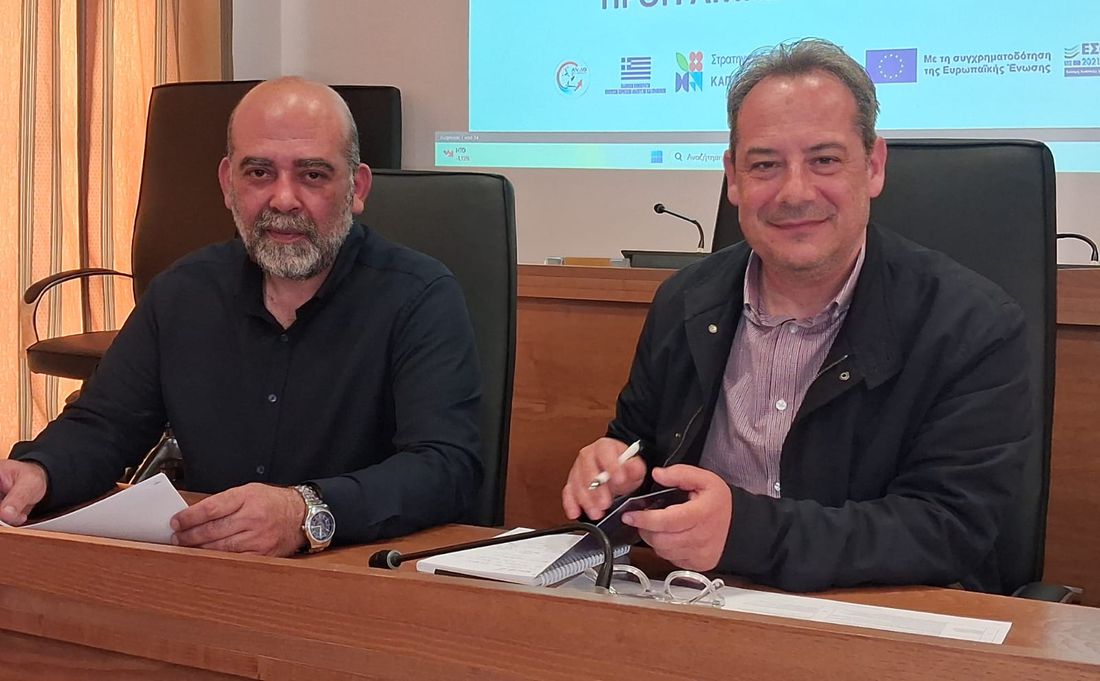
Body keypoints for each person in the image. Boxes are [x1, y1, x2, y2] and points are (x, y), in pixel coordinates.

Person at [562, 39, 1031, 593]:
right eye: (765, 165)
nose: (795, 192)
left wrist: (746, 534)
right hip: (692, 604)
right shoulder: (683, 302)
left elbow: (948, 528)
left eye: (824, 160)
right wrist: (615, 476)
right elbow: (637, 447)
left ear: (873, 166)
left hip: (877, 622)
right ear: (734, 177)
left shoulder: (971, 325)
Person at [0, 77, 482, 556]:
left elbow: (446, 466)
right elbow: (105, 425)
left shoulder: (419, 296)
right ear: (228, 184)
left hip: (360, 572)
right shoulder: (183, 293)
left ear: (356, 188)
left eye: (313, 175)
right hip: (213, 570)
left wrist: (305, 511)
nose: (283, 199)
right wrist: (40, 471)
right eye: (259, 173)